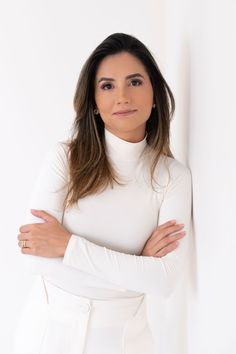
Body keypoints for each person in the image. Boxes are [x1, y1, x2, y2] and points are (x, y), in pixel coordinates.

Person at [13, 32, 192, 354]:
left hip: (125, 343)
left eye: (135, 82)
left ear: (154, 94)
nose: (122, 96)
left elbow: (164, 282)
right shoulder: (65, 159)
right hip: (45, 337)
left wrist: (67, 245)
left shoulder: (173, 177)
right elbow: (34, 260)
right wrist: (137, 267)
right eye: (107, 86)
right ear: (93, 102)